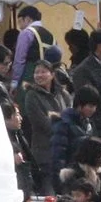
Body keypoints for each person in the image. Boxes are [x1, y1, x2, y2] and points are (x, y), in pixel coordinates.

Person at [15, 60, 69, 194]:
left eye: (43, 71)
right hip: (44, 154)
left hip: (64, 154)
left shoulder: (63, 94)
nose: (39, 75)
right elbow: (42, 123)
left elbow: (71, 117)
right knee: (48, 196)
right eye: (36, 72)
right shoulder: (31, 95)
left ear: (52, 74)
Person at [12, 5, 59, 72]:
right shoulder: (52, 36)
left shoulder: (26, 33)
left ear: (27, 19)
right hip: (48, 77)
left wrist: (15, 80)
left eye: (20, 22)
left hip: (30, 76)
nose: (20, 27)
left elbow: (19, 60)